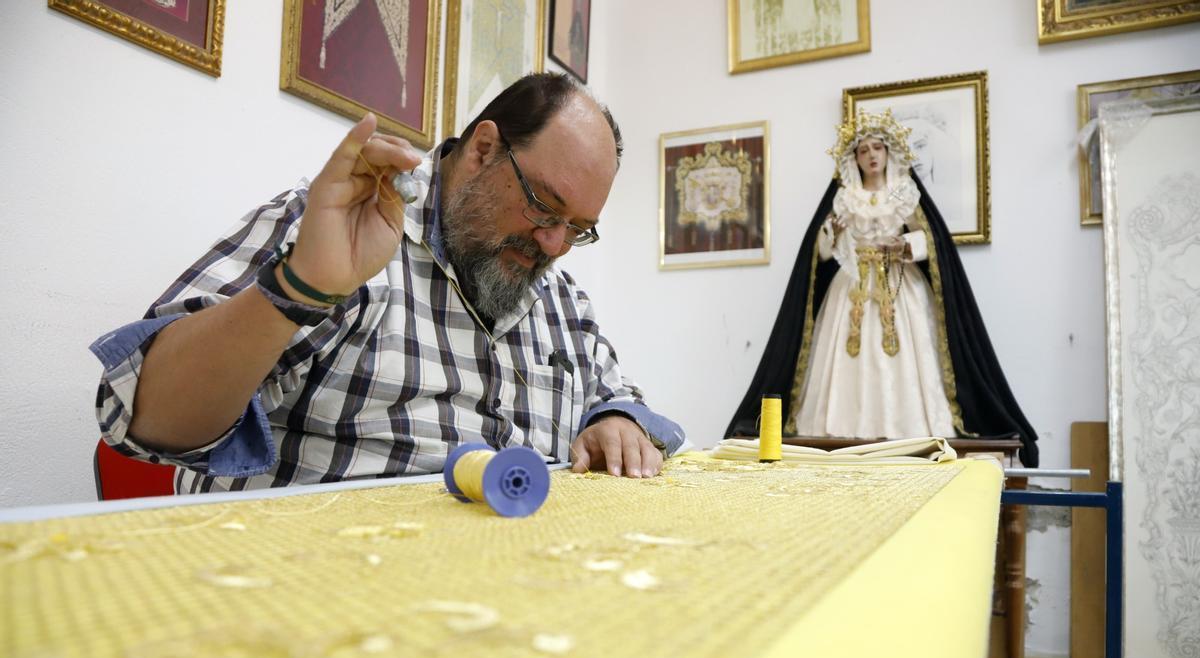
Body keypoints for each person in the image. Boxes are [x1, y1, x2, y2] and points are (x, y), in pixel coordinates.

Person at [91, 73, 685, 493]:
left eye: (578, 229)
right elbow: (143, 420)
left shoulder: (558, 296)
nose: (555, 245)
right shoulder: (341, 227)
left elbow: (620, 396)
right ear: (482, 150)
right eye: (542, 206)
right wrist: (298, 290)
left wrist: (618, 420)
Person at [724, 110, 1038, 467]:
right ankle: (839, 430)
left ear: (889, 153)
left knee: (906, 356)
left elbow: (929, 239)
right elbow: (822, 253)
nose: (871, 155)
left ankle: (908, 427)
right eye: (863, 150)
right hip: (852, 286)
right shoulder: (845, 198)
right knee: (844, 357)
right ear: (853, 159)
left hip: (898, 285)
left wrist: (904, 246)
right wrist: (834, 234)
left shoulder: (904, 192)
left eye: (877, 148)